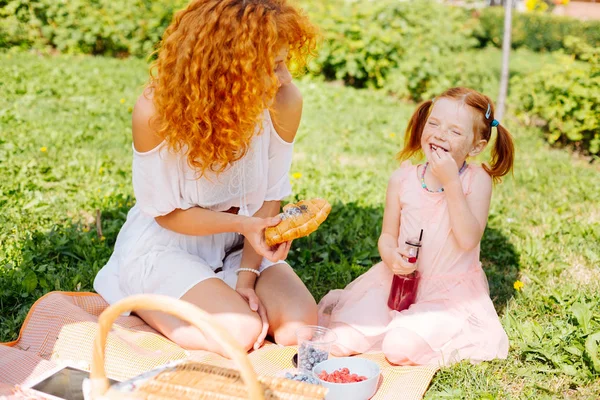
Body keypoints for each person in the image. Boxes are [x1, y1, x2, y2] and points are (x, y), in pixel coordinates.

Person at [93, 0, 318, 357]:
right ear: (231, 68)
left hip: (240, 243)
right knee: (239, 332)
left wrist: (247, 276)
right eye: (274, 66)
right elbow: (165, 213)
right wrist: (247, 225)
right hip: (168, 244)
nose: (286, 77)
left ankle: (222, 289)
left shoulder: (284, 100)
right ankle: (142, 293)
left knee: (302, 327)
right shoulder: (155, 111)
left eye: (286, 62)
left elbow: (271, 193)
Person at [318, 87, 515, 366]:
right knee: (340, 339)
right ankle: (394, 324)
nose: (439, 134)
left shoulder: (476, 179)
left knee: (398, 348)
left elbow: (468, 239)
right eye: (434, 124)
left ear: (476, 147)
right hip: (396, 283)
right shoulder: (402, 179)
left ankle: (418, 332)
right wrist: (390, 257)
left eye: (455, 131)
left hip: (448, 295)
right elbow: (387, 236)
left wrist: (450, 183)